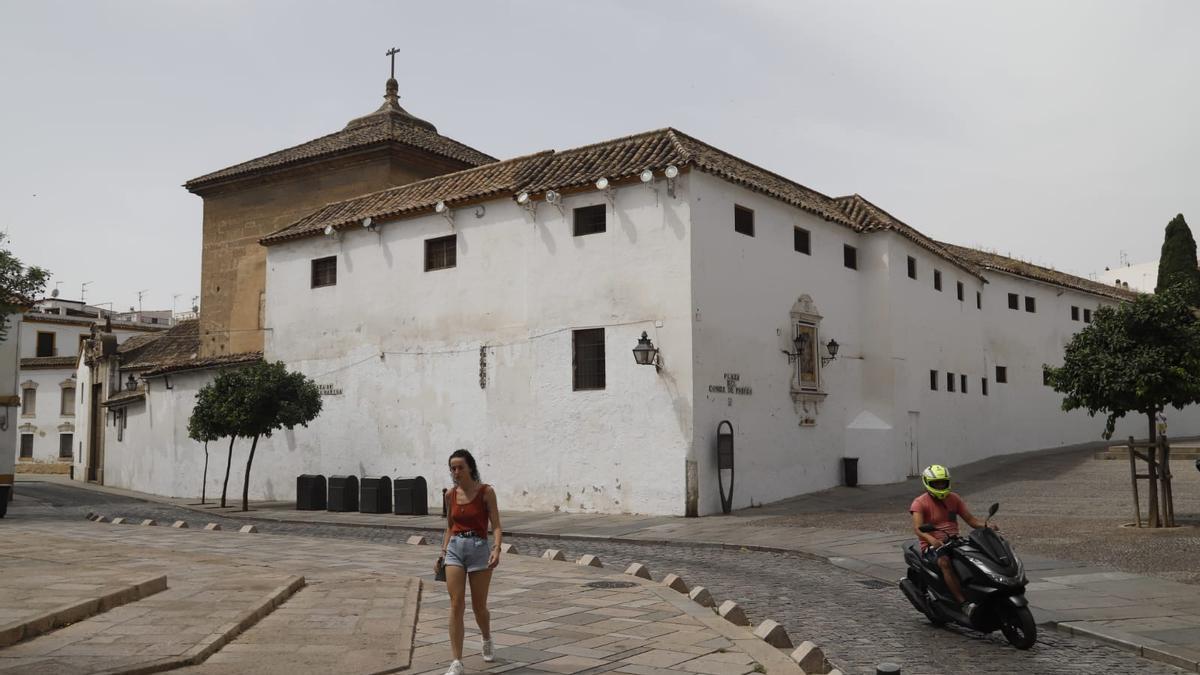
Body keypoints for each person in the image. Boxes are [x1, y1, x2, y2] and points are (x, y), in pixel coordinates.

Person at [438, 449, 502, 675]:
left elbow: (496, 525)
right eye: (452, 468)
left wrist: (496, 548)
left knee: (478, 607)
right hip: (455, 549)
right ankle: (456, 662)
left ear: (470, 468)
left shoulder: (486, 492)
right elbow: (449, 526)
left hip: (478, 550)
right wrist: (443, 551)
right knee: (456, 604)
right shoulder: (450, 496)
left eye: (460, 467)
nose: (456, 472)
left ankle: (486, 637)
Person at [910, 464, 993, 619]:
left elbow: (971, 520)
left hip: (954, 541)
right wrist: (931, 539)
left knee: (978, 558)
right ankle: (963, 604)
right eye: (936, 483)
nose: (940, 485)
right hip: (932, 545)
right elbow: (918, 528)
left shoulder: (954, 498)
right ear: (928, 483)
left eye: (943, 482)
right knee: (945, 562)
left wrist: (987, 526)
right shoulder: (919, 503)